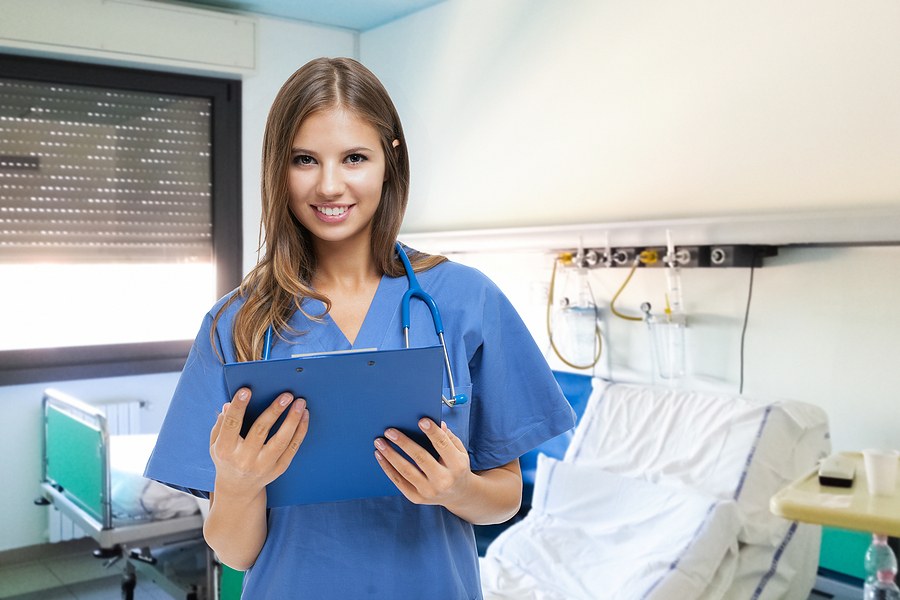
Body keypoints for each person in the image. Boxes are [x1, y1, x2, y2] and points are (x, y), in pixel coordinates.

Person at [145, 56, 575, 598]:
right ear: (278, 167)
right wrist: (237, 482)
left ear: (390, 160)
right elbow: (235, 552)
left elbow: (506, 497)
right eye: (305, 159)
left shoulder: (466, 299)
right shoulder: (236, 324)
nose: (329, 185)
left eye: (353, 157)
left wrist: (458, 487)